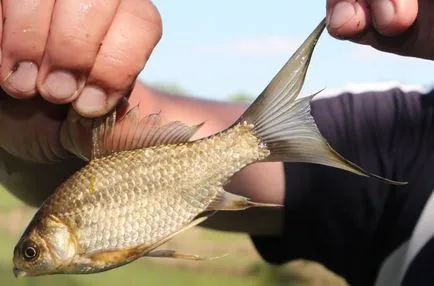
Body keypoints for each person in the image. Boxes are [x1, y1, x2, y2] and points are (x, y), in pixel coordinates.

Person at [0, 0, 433, 285]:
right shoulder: (398, 136)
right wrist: (33, 109)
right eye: (32, 254)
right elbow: (77, 139)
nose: (26, 263)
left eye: (33, 252)